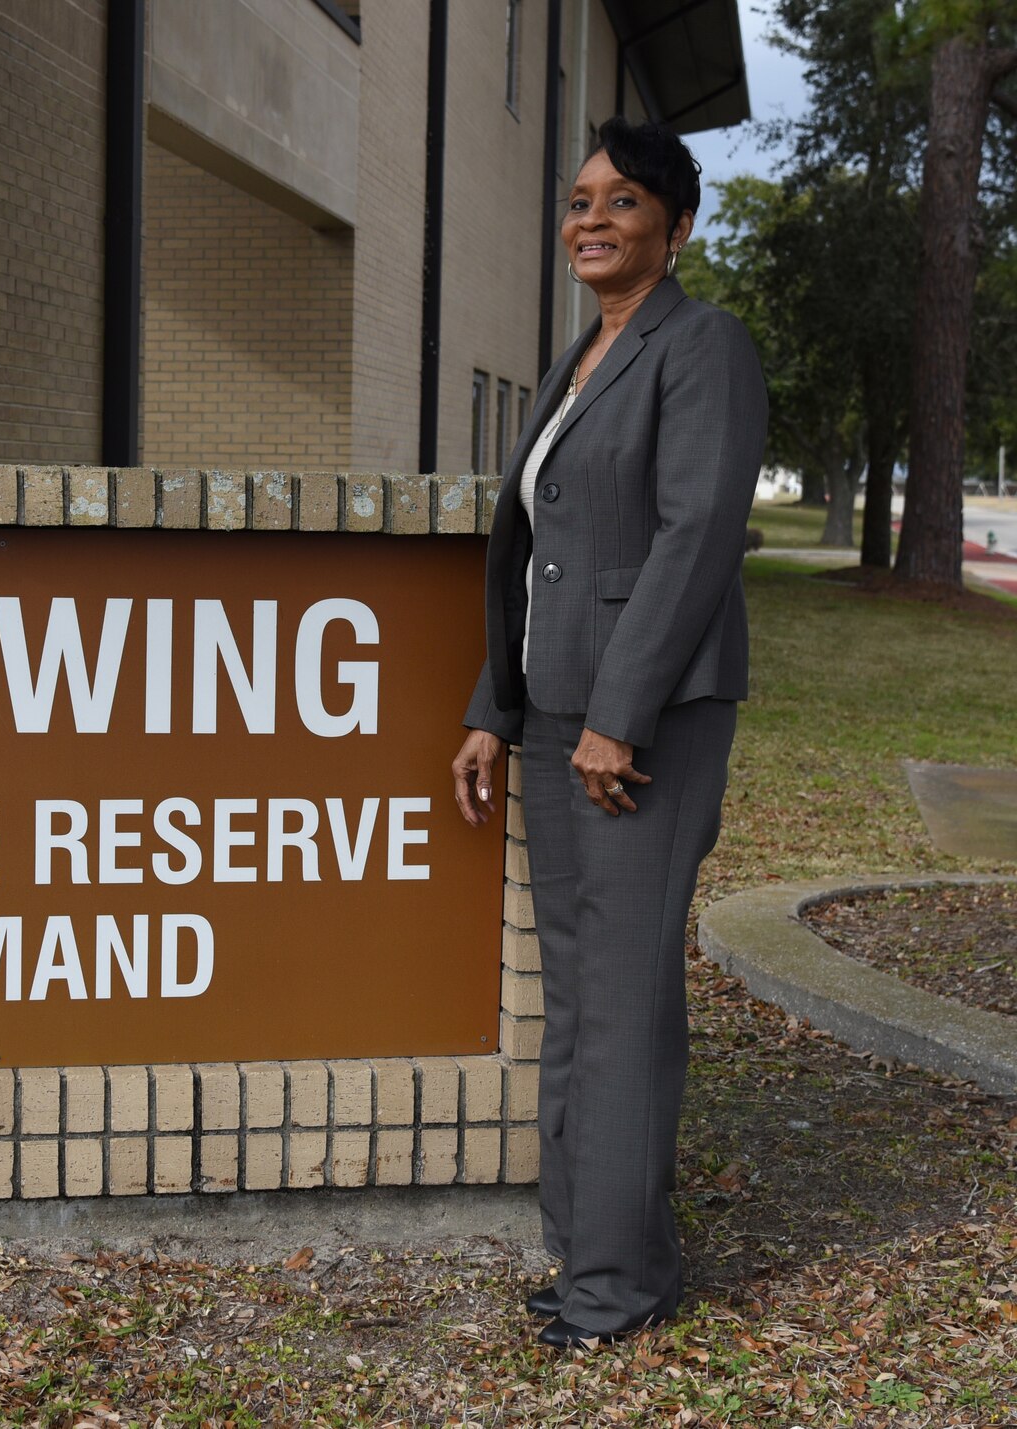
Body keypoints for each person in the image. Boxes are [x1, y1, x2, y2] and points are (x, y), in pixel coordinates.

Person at [448, 117, 768, 1351]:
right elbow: (543, 558)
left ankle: (616, 1289)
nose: (590, 218)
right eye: (579, 199)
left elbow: (693, 540)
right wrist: (499, 709)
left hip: (644, 728)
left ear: (673, 226)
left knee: (625, 1002)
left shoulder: (702, 347)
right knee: (578, 997)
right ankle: (594, 1250)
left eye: (621, 201)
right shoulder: (578, 356)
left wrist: (614, 720)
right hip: (556, 718)